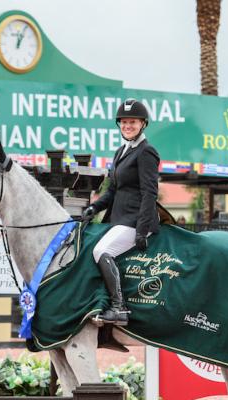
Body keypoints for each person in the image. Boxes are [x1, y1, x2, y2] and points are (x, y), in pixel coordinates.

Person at [82, 98, 161, 326]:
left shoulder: (147, 152)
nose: (128, 126)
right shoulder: (120, 152)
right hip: (118, 220)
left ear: (143, 124)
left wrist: (142, 230)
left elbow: (149, 194)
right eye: (124, 122)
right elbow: (113, 191)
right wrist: (94, 207)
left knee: (101, 251)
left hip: (135, 221)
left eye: (133, 122)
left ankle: (119, 308)